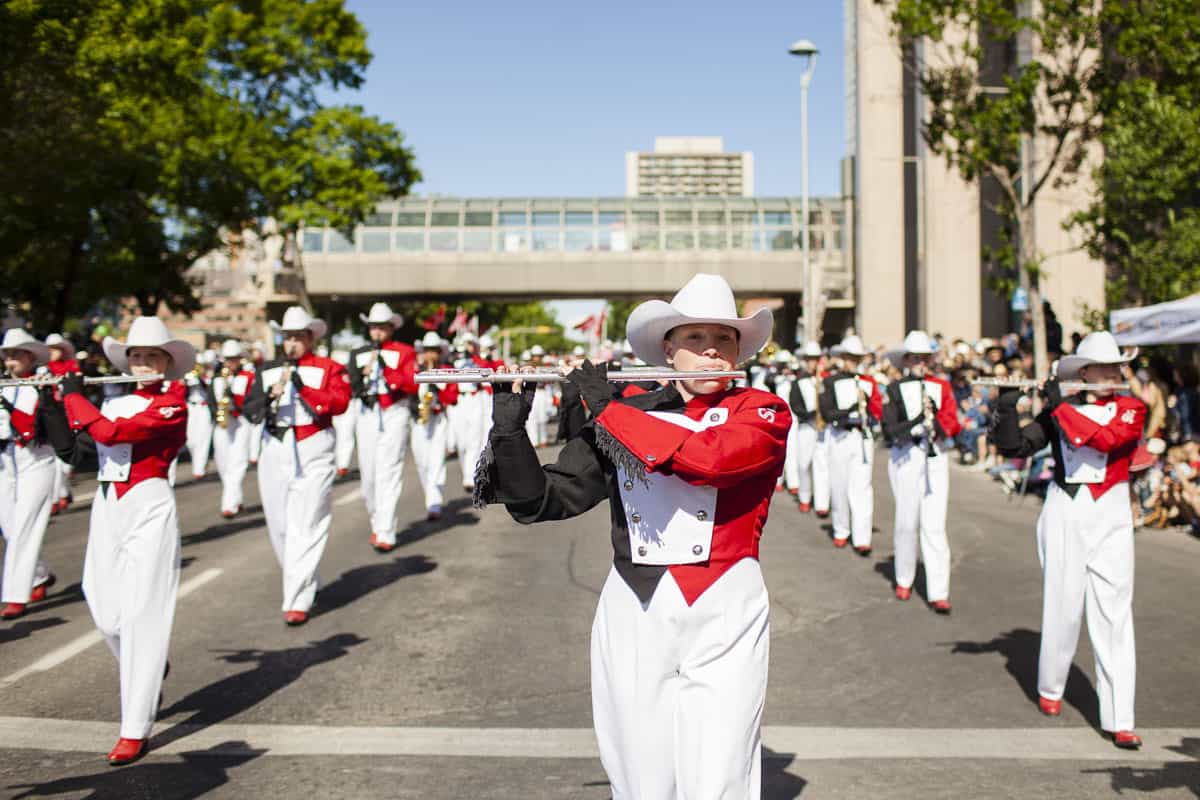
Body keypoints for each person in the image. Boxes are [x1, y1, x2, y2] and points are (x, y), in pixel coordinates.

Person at [477, 273, 789, 798]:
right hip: (634, 604)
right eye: (695, 339)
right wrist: (510, 431)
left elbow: (710, 460)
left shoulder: (762, 411)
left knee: (720, 772)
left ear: (740, 349)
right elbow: (545, 501)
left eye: (724, 339)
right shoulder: (629, 413)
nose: (712, 352)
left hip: (726, 604)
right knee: (640, 773)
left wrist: (605, 409)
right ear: (668, 350)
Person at [990, 330, 1145, 750]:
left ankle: (1120, 716)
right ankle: (1051, 687)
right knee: (1063, 604)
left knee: (1114, 612)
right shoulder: (1061, 410)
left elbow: (1107, 440)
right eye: (1104, 367)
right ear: (1085, 371)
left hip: (1111, 511)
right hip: (1065, 509)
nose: (1112, 373)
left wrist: (1057, 404)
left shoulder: (1132, 408)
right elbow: (1017, 447)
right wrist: (1006, 405)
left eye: (1117, 367)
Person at [59, 316, 192, 765]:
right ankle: (149, 669)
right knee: (102, 605)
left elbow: (114, 435)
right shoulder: (114, 402)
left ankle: (134, 727)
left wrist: (75, 395)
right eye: (134, 356)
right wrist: (52, 401)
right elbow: (82, 448)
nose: (139, 363)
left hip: (149, 502)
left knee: (142, 612)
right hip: (107, 502)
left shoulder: (175, 403)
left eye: (150, 357)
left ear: (166, 363)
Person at [243, 307, 350, 625]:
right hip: (275, 446)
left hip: (313, 445)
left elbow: (339, 403)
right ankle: (302, 578)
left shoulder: (328, 367)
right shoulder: (267, 370)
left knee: (309, 520)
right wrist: (267, 398)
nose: (291, 343)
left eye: (298, 337)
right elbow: (248, 409)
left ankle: (297, 599)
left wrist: (303, 388)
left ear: (310, 338)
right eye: (287, 337)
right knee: (279, 525)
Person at [882, 331, 961, 613]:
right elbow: (889, 429)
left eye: (924, 358)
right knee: (906, 521)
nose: (920, 362)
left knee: (935, 524)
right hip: (906, 455)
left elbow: (953, 423)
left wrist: (937, 422)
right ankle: (904, 577)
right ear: (905, 360)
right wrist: (917, 420)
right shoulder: (894, 389)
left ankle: (939, 590)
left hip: (935, 454)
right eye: (915, 358)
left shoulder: (942, 386)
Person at [0, 330, 64, 620]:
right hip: (5, 460)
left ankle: (16, 595)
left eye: (17, 355)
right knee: (9, 525)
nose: (11, 360)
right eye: (7, 355)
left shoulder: (43, 383)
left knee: (25, 525)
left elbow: (33, 424)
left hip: (36, 458)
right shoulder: (4, 385)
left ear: (30, 356)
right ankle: (40, 575)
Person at [347, 303, 417, 552]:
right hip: (367, 412)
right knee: (369, 475)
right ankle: (378, 523)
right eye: (373, 327)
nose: (376, 331)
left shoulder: (404, 352)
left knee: (388, 470)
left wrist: (388, 371)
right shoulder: (358, 354)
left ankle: (386, 530)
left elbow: (411, 384)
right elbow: (351, 386)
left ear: (391, 328)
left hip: (393, 411)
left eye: (381, 327)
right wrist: (362, 376)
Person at [820, 334, 883, 554]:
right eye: (850, 357)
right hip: (840, 435)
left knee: (862, 486)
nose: (853, 362)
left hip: (861, 436)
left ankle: (862, 537)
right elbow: (827, 412)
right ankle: (841, 529)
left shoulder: (869, 382)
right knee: (839, 485)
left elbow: (878, 412)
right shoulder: (831, 381)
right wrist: (852, 406)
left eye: (857, 358)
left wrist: (868, 402)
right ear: (843, 357)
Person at [410, 332, 458, 521]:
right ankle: (430, 496)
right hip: (419, 420)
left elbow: (452, 398)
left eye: (434, 351)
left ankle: (434, 504)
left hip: (438, 420)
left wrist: (436, 382)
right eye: (427, 350)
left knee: (437, 461)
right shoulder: (415, 369)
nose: (431, 354)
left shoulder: (447, 370)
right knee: (422, 463)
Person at [210, 340, 255, 518]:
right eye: (228, 359)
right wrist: (218, 413)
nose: (231, 362)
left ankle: (228, 506)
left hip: (241, 422)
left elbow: (251, 400)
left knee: (237, 462)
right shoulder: (217, 379)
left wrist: (235, 404)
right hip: (223, 423)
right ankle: (236, 498)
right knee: (223, 463)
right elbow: (212, 402)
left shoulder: (248, 377)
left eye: (234, 359)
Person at [789, 341, 827, 514]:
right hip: (807, 426)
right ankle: (805, 496)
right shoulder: (799, 382)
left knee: (822, 465)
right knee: (804, 463)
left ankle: (821, 503)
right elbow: (795, 405)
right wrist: (811, 415)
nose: (813, 362)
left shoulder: (824, 380)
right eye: (810, 359)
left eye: (815, 359)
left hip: (823, 428)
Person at [43, 333, 79, 513]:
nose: (53, 352)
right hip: (54, 416)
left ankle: (63, 493)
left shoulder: (72, 368)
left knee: (66, 463)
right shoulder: (43, 370)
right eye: (50, 349)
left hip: (70, 413)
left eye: (56, 348)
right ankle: (57, 497)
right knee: (56, 459)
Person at [181, 351, 215, 479]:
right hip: (191, 407)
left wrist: (201, 377)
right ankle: (199, 462)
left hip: (203, 407)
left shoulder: (209, 375)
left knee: (203, 438)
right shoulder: (188, 375)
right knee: (190, 439)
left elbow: (208, 388)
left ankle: (199, 469)